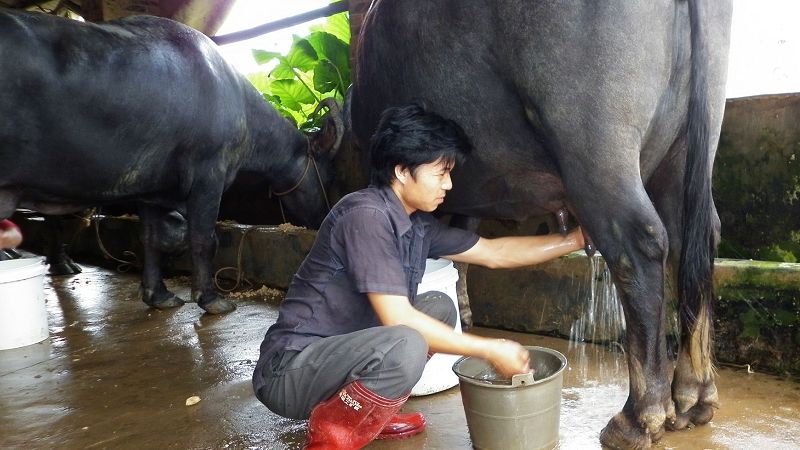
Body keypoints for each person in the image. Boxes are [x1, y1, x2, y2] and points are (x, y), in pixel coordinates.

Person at [252, 104, 585, 450]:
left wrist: (575, 239)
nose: (449, 184)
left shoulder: (416, 225)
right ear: (401, 170)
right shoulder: (365, 216)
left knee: (438, 307)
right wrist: (489, 348)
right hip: (288, 371)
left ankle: (368, 414)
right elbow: (397, 318)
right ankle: (330, 433)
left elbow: (494, 253)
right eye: (441, 173)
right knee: (408, 341)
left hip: (338, 357)